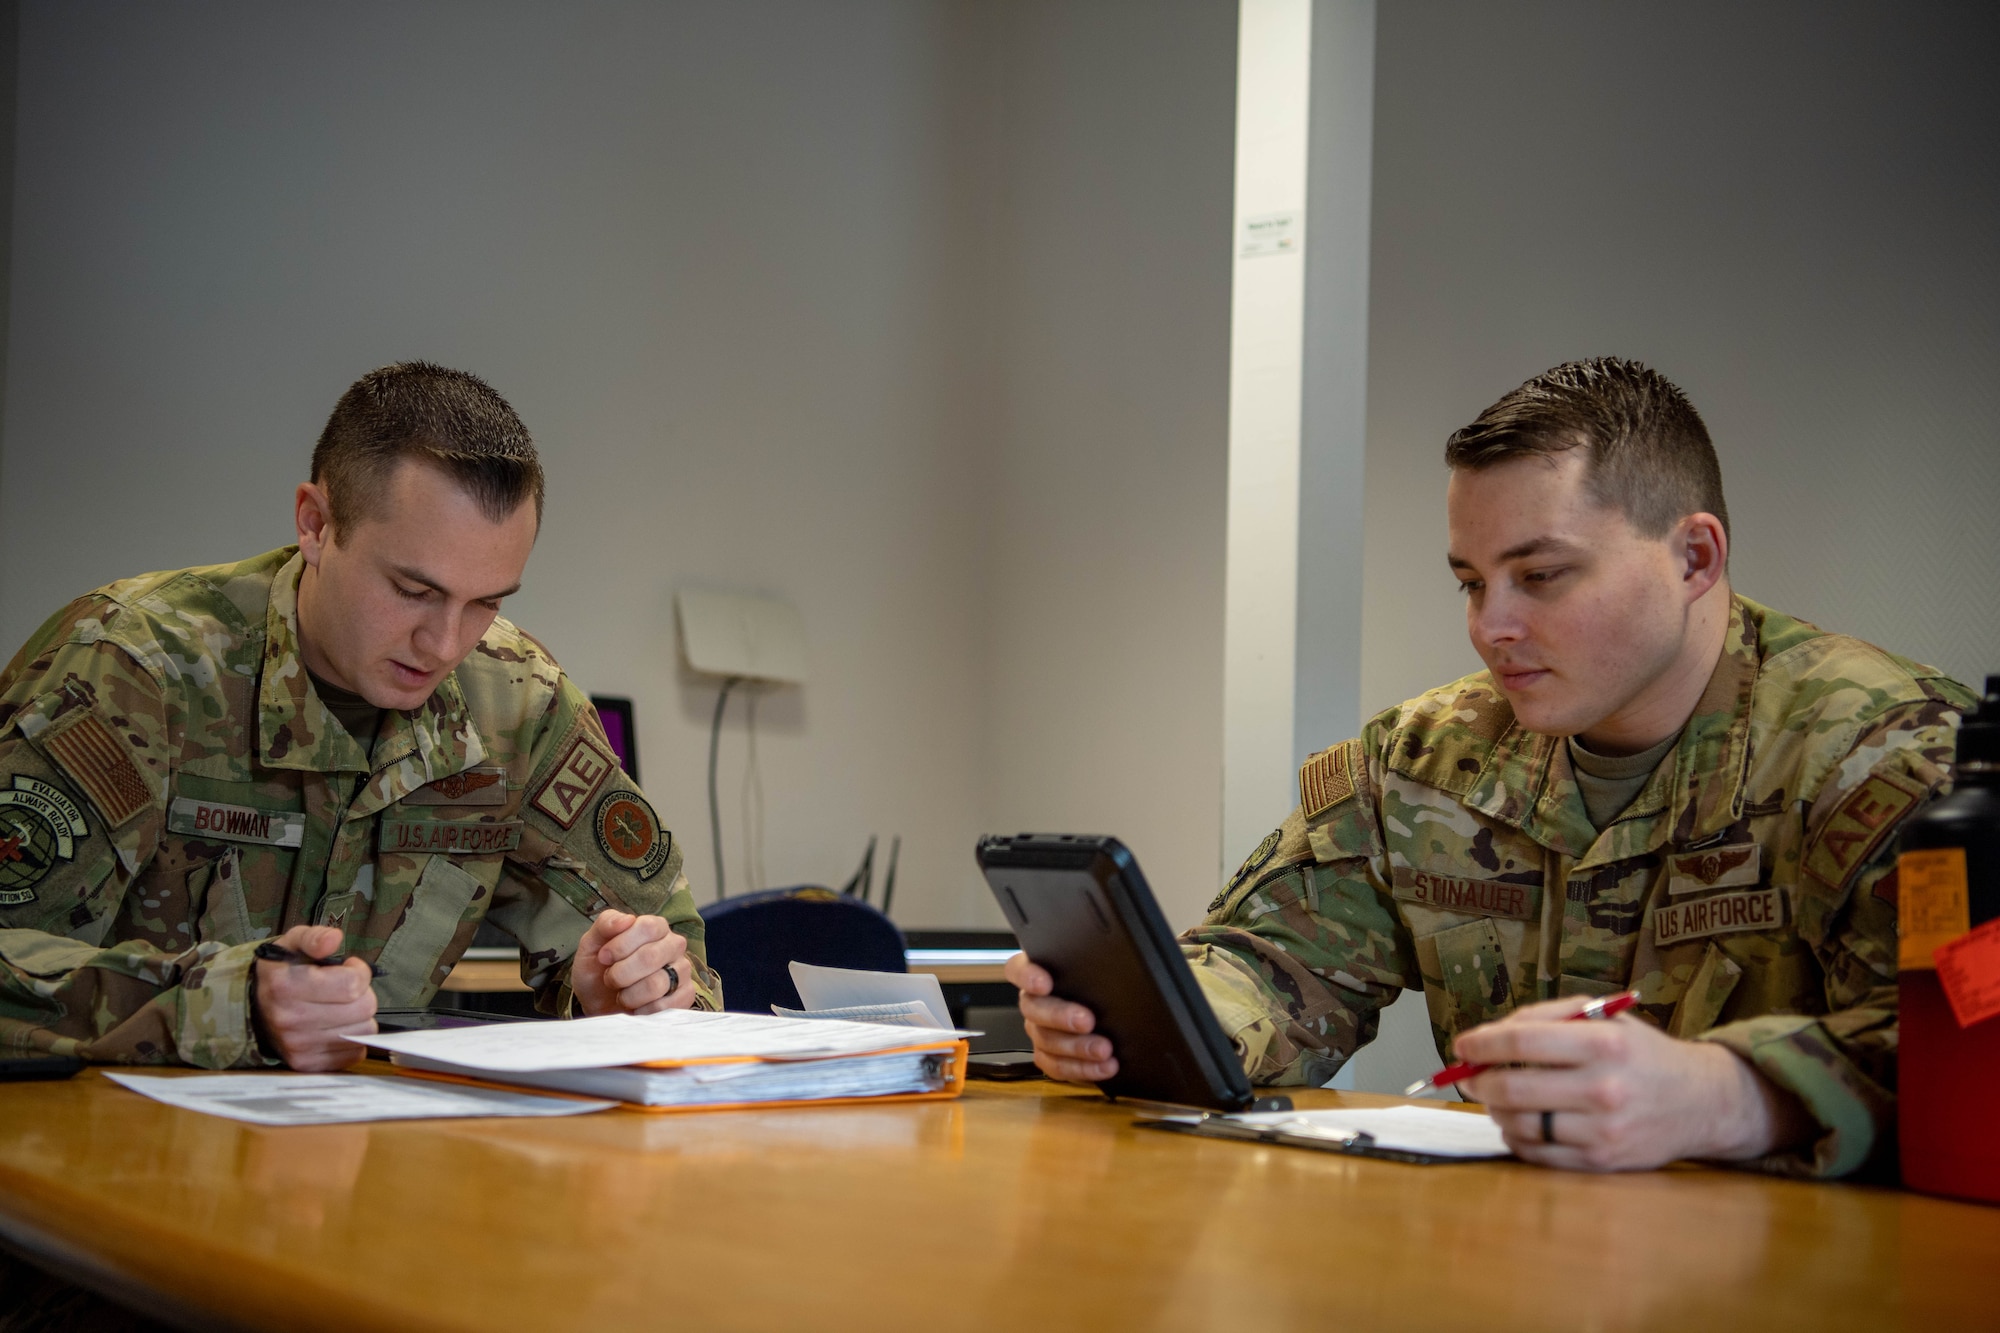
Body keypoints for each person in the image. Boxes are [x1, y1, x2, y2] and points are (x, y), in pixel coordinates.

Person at [1008, 357, 1970, 1178]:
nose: (1491, 626)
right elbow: (1274, 961)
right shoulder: (1425, 761)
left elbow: (1967, 1047)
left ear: (1694, 557)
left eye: (1542, 575)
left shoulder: (1892, 756)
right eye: (1471, 582)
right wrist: (1154, 1024)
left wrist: (1732, 1094)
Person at [0, 362, 719, 1071]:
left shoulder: (517, 705)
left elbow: (682, 963)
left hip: (365, 1155)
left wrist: (620, 997)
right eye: (412, 590)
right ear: (316, 524)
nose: (444, 643)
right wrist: (228, 1007)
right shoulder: (136, 669)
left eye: (488, 602)